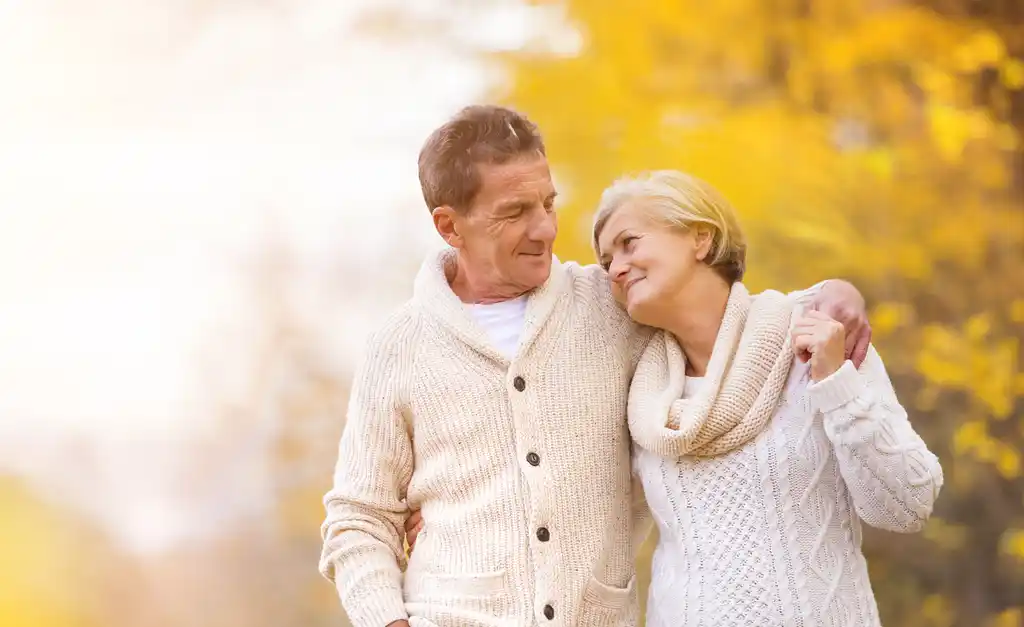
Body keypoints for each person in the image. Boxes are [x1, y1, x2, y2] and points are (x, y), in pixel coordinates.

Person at [318, 105, 872, 627]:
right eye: (515, 213)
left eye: (547, 204)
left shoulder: (611, 305)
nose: (545, 230)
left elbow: (727, 314)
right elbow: (359, 517)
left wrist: (833, 293)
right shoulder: (399, 344)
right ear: (449, 226)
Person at [591, 170, 943, 626]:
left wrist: (835, 382)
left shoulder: (815, 339)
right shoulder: (642, 397)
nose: (616, 268)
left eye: (629, 242)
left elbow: (907, 505)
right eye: (604, 262)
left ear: (700, 237)